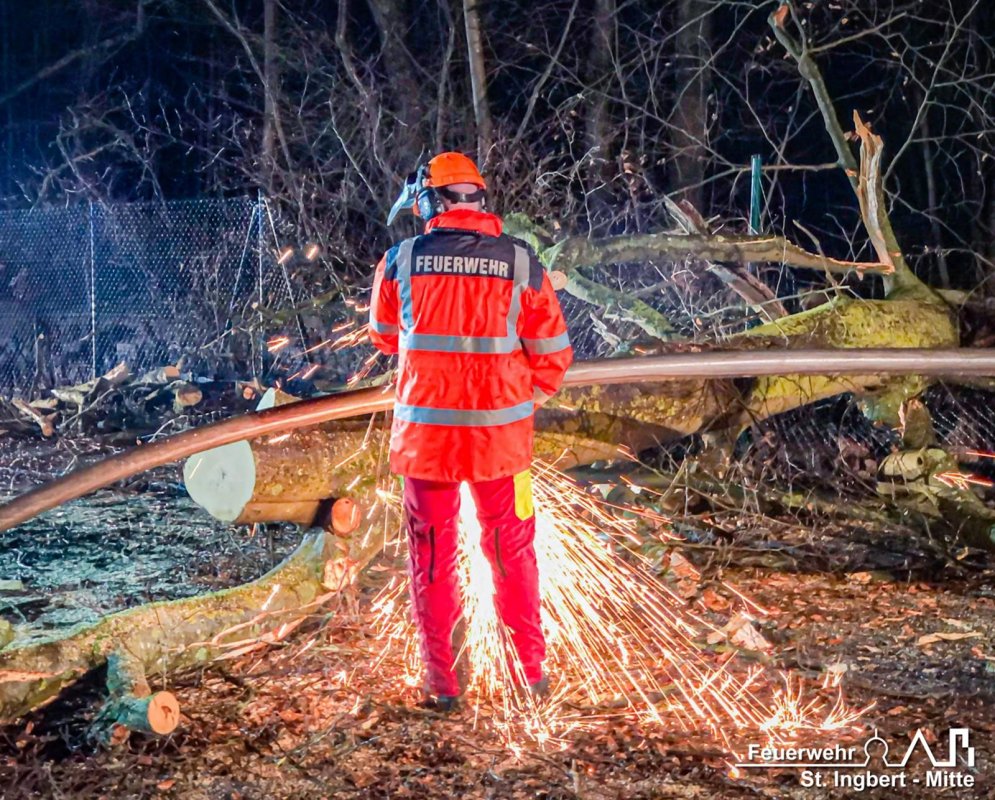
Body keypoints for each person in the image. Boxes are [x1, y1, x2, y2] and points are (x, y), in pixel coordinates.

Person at [368, 152, 573, 710]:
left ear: (428, 203)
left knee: (433, 560)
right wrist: (513, 400)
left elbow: (384, 336)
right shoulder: (521, 262)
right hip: (501, 445)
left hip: (426, 446)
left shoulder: (401, 261)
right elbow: (554, 358)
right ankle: (528, 675)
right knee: (512, 554)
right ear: (480, 199)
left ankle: (444, 684)